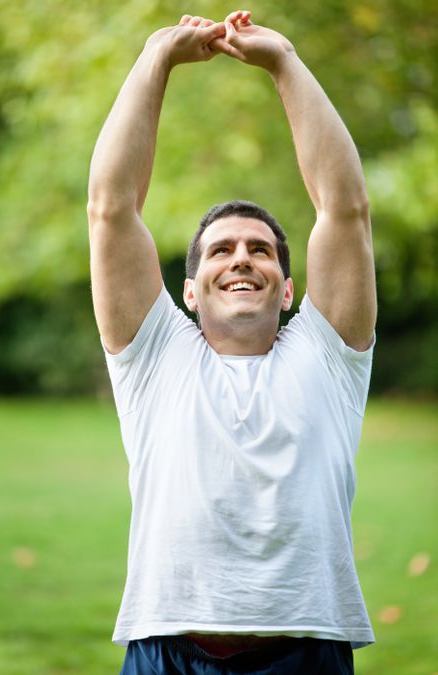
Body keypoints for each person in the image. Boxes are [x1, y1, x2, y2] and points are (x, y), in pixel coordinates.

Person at [87, 9, 377, 675]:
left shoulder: (327, 355)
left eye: (260, 250)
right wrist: (158, 56)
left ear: (287, 289)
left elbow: (345, 207)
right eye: (221, 249)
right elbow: (110, 207)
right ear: (188, 292)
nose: (241, 257)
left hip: (307, 651)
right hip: (168, 652)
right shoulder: (155, 355)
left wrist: (284, 62)